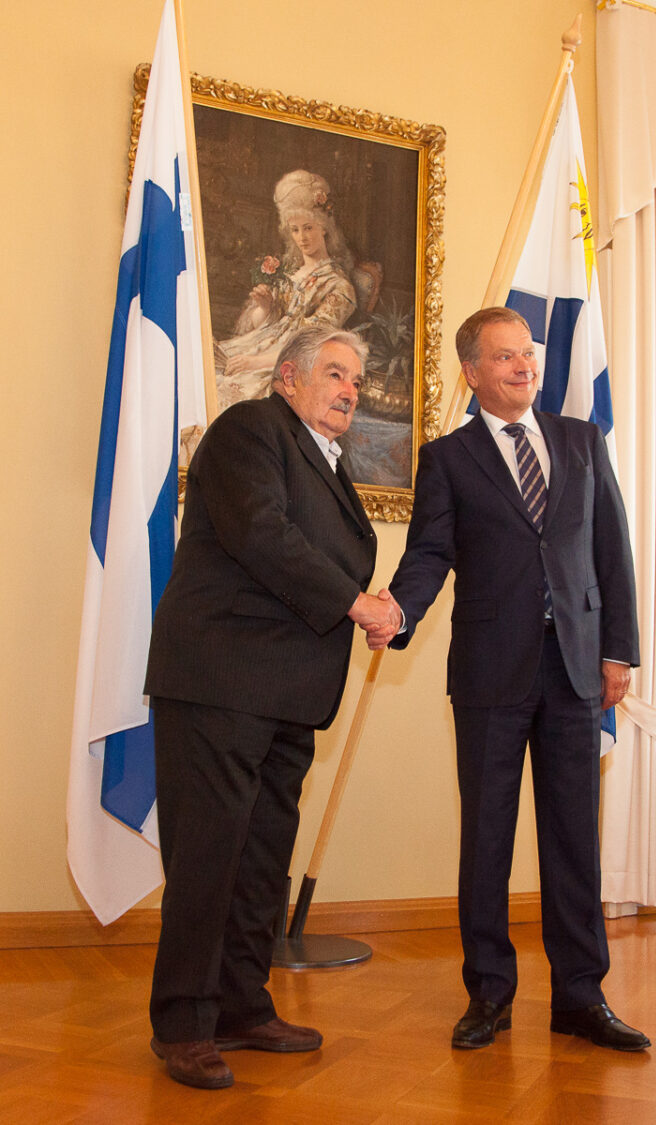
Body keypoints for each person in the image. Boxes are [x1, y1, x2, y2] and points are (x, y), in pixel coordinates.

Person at [371, 307, 650, 1053]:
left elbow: (611, 551)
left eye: (527, 352)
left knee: (572, 841)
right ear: (472, 371)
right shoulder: (450, 458)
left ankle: (581, 995)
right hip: (492, 675)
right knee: (487, 838)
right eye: (504, 356)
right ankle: (489, 994)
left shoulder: (582, 441)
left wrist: (618, 649)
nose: (524, 365)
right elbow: (430, 553)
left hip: (576, 672)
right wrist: (397, 611)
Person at [145, 324, 399, 1089]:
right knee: (208, 857)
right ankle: (183, 1022)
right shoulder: (249, 429)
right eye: (333, 372)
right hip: (222, 681)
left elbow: (321, 551)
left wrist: (370, 598)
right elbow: (263, 535)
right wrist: (357, 602)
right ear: (288, 377)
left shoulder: (329, 460)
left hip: (287, 694)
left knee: (259, 859)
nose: (349, 388)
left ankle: (242, 1005)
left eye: (355, 377)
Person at [215, 170, 357, 409]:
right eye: (295, 229)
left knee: (225, 392)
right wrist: (265, 307)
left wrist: (253, 363)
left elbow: (308, 348)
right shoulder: (290, 274)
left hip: (285, 366)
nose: (302, 237)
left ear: (324, 228)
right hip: (257, 348)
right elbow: (263, 325)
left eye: (308, 228)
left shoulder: (339, 287)